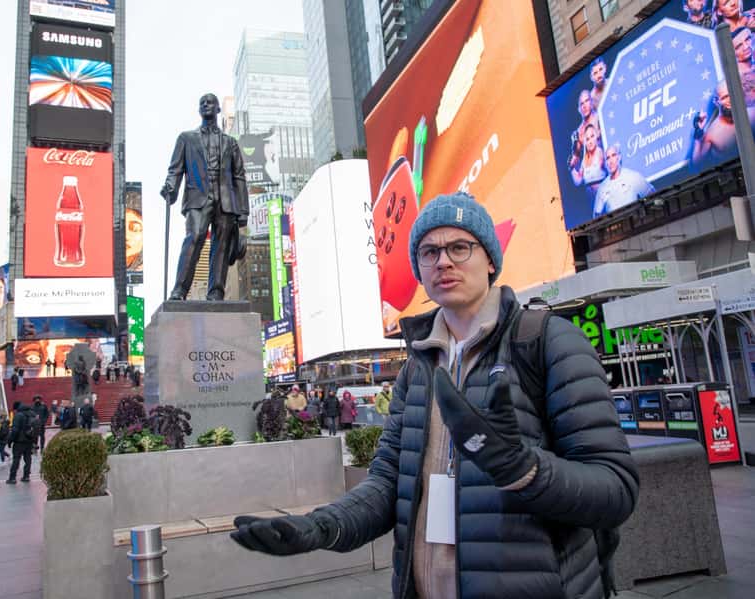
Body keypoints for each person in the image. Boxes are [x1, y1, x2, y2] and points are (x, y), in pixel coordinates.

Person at [230, 193, 639, 598]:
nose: (443, 261)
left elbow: (616, 490)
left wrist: (524, 471)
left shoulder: (547, 342)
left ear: (491, 260)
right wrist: (321, 527)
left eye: (460, 247)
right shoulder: (417, 367)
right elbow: (389, 482)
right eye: (429, 252)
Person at [161, 94, 249, 301]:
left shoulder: (230, 142)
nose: (205, 105)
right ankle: (179, 290)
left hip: (226, 201)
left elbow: (239, 176)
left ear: (218, 109)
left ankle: (216, 292)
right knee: (194, 237)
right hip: (198, 198)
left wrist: (243, 210)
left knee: (222, 246)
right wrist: (170, 188)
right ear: (199, 110)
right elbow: (175, 169)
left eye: (210, 103)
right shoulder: (186, 138)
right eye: (202, 103)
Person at [593, 144, 655, 217]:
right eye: (607, 158)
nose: (610, 161)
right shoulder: (602, 188)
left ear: (619, 157)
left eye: (613, 155)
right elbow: (596, 216)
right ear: (606, 162)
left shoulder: (632, 176)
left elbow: (653, 195)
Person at [569, 123, 606, 193]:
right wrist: (572, 168)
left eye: (592, 136)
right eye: (587, 139)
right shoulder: (584, 160)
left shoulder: (601, 154)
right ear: (585, 142)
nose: (590, 141)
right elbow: (578, 181)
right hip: (591, 200)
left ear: (596, 137)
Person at [7, 401, 34, 484]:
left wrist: (10, 440)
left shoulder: (18, 415)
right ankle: (26, 476)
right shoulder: (32, 414)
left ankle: (12, 478)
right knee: (28, 459)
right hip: (29, 440)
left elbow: (15, 430)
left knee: (16, 459)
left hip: (19, 441)